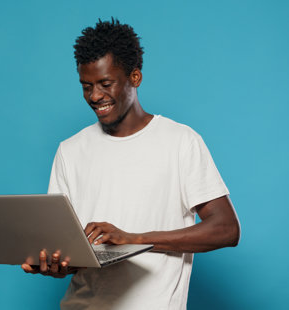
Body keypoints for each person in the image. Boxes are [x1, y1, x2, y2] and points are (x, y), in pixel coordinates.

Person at [21, 18, 240, 310]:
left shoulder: (180, 141)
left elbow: (226, 229)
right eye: (86, 86)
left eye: (105, 84)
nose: (95, 96)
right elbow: (72, 250)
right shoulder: (69, 151)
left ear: (134, 77)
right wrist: (56, 264)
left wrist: (133, 239)